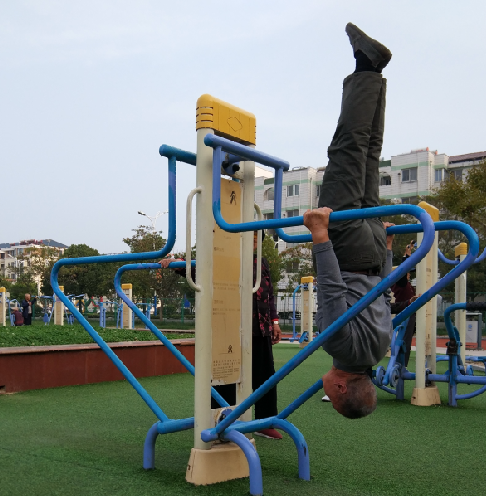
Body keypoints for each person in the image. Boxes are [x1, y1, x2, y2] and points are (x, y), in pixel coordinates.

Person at [303, 23, 394, 419]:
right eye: (333, 395)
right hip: (347, 248)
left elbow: (383, 296)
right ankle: (366, 66)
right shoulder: (338, 347)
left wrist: (387, 252)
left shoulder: (379, 350)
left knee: (369, 155)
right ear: (340, 388)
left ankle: (373, 75)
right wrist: (320, 236)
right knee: (346, 152)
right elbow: (331, 290)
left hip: (373, 250)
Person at [160, 230, 283, 439]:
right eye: (251, 236)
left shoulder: (261, 263)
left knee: (265, 375)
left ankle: (265, 420)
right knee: (226, 374)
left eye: (257, 238)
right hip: (232, 326)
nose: (254, 240)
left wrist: (275, 322)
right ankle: (222, 420)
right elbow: (201, 272)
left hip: (259, 326)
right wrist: (179, 263)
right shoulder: (226, 259)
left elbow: (269, 295)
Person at [390, 242, 418, 367]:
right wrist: (407, 255)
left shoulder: (407, 284)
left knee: (406, 339)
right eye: (407, 272)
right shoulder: (399, 283)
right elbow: (403, 269)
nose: (409, 274)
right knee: (404, 340)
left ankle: (401, 364)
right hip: (405, 313)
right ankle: (401, 365)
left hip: (411, 312)